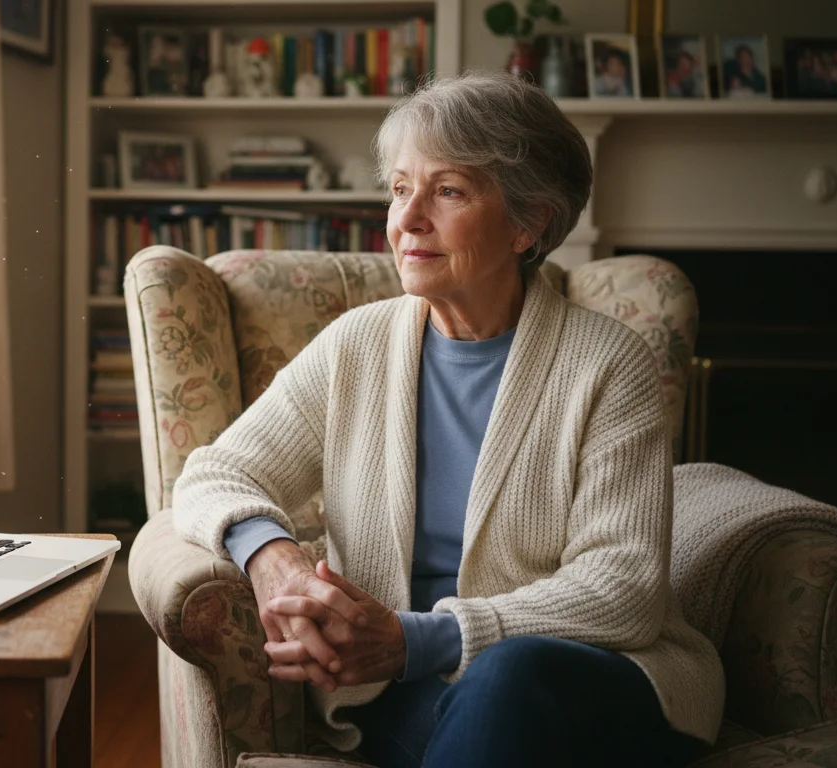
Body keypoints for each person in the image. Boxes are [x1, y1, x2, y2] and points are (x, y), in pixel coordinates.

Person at [171, 71, 725, 768]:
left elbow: (625, 587)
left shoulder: (608, 363)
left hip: (585, 681)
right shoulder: (358, 346)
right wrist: (271, 556)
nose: (406, 220)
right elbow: (213, 472)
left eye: (448, 190)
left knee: (507, 676)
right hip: (402, 692)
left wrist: (419, 639)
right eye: (401, 188)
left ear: (530, 223)